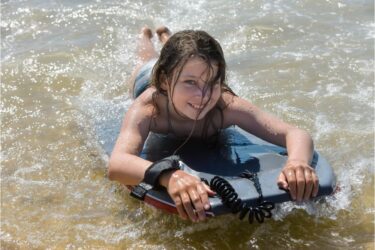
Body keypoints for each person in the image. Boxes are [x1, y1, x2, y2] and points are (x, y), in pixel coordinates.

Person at [108, 26, 319, 222]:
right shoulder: (149, 108)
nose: (203, 96)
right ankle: (146, 35)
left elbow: (295, 133)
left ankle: (166, 37)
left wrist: (297, 162)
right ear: (164, 81)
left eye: (213, 83)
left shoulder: (225, 106)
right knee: (147, 58)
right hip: (147, 77)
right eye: (190, 83)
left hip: (179, 69)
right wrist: (168, 176)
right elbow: (117, 164)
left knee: (188, 59)